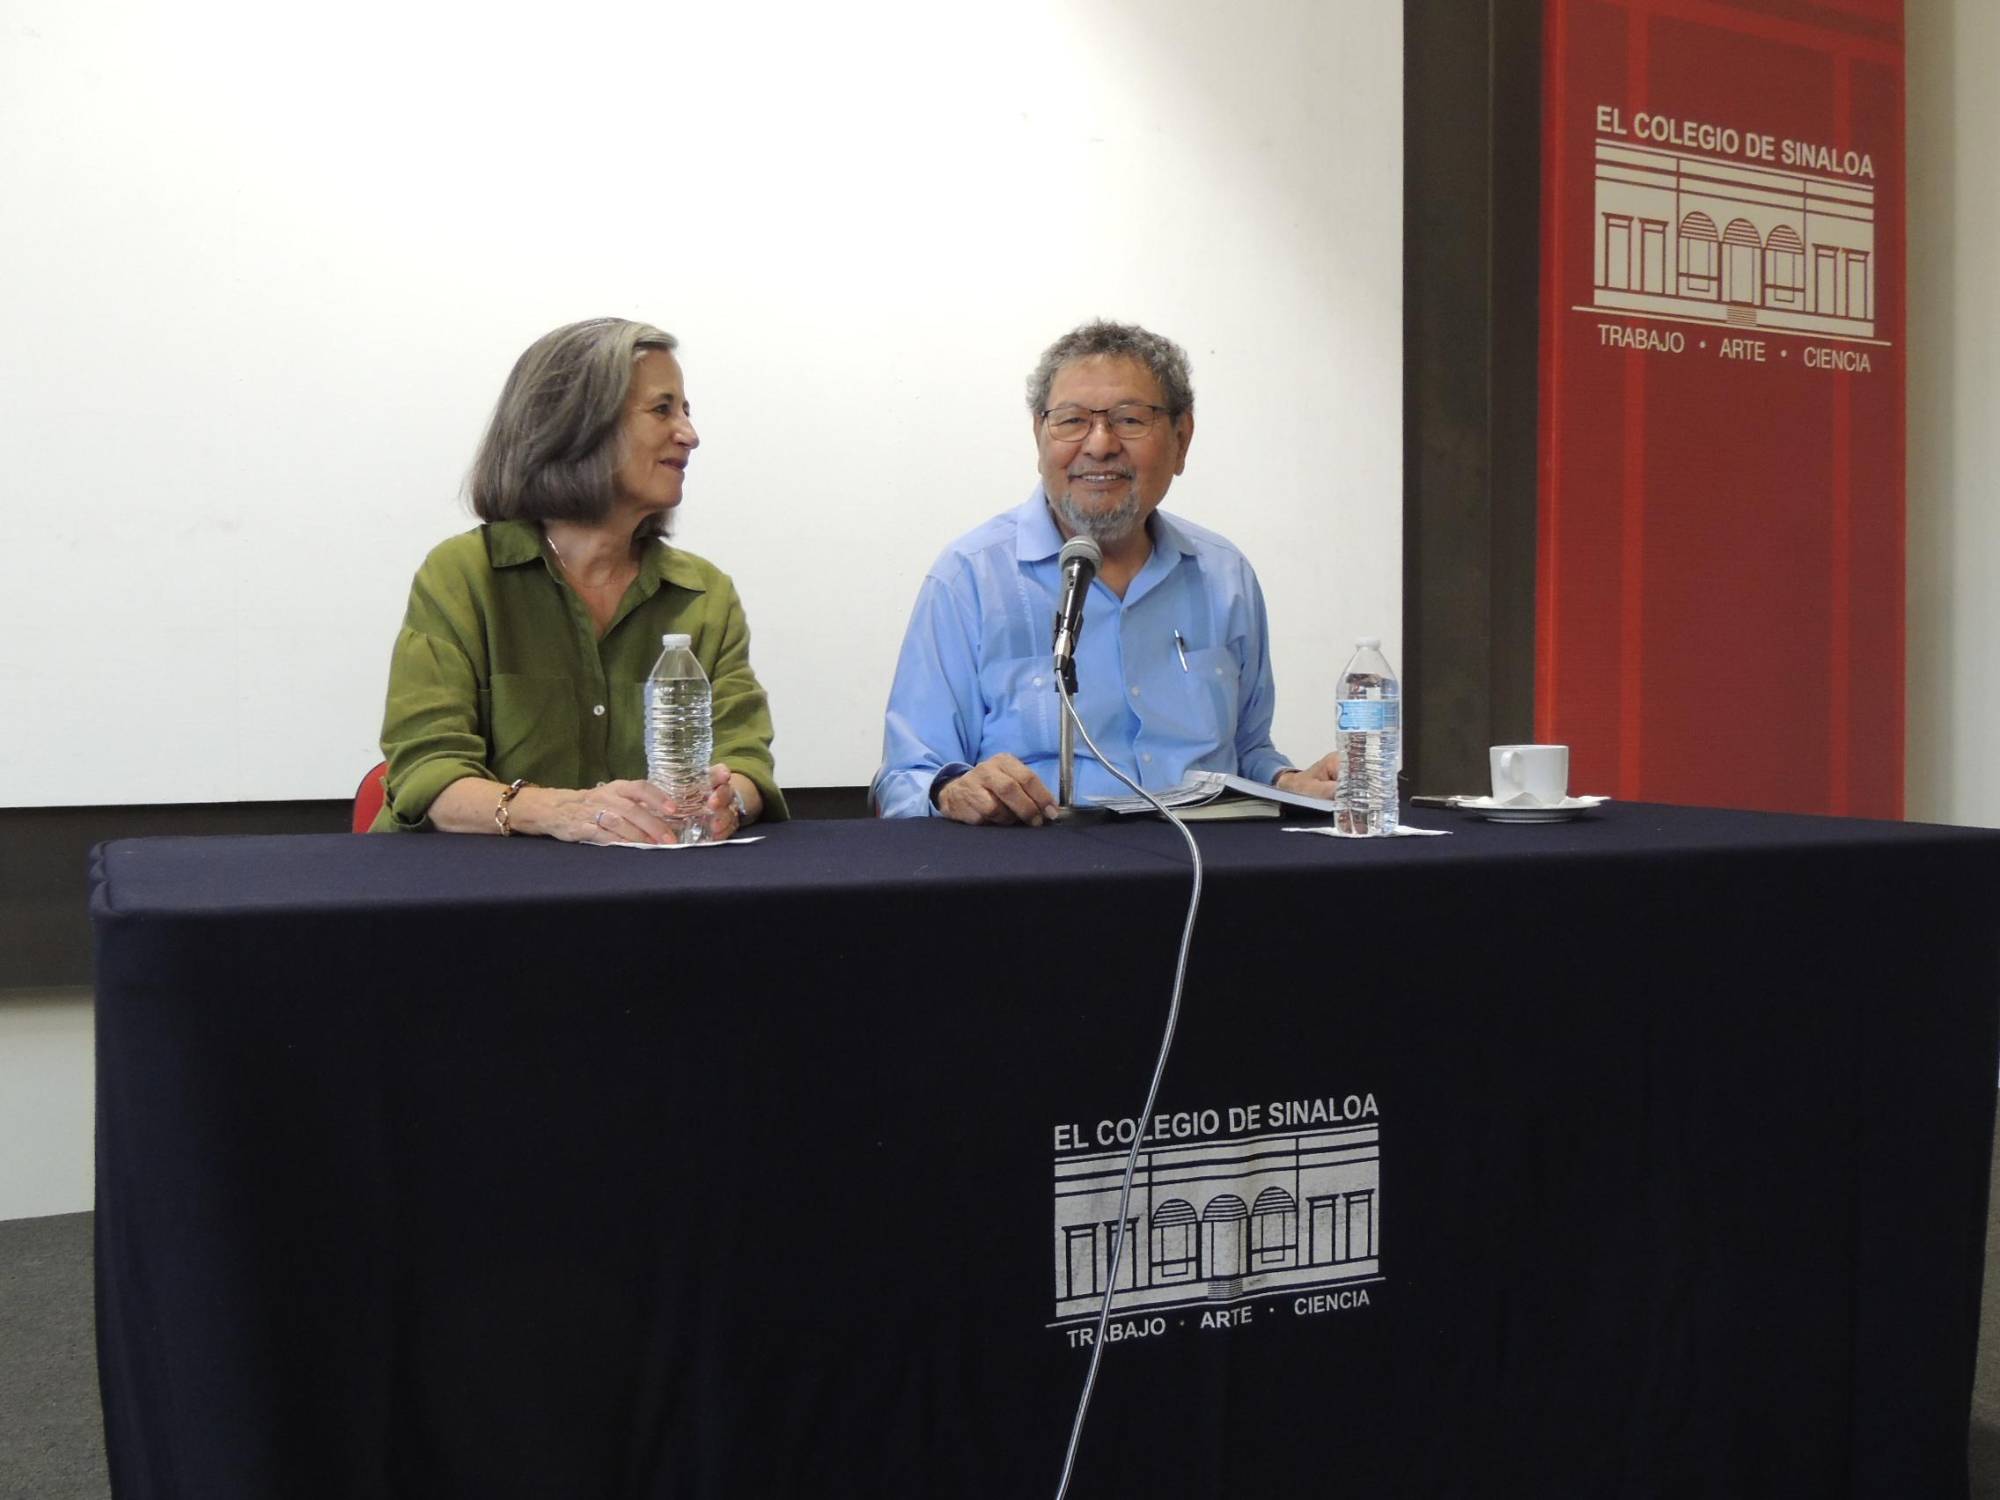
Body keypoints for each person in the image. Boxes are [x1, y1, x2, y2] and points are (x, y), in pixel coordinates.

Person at [872, 319, 1338, 825]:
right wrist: (951, 790)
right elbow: (904, 779)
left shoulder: (1224, 576)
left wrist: (1287, 781)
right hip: (1039, 870)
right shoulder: (970, 579)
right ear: (1038, 435)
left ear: (1182, 439)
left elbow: (1247, 752)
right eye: (1071, 421)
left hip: (1208, 867)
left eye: (1130, 419)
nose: (1099, 444)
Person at [372, 317, 785, 841]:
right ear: (577, 424)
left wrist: (730, 801)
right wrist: (563, 812)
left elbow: (745, 758)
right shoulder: (462, 577)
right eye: (662, 409)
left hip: (647, 887)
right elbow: (426, 773)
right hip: (472, 897)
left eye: (685, 410)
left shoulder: (705, 593)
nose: (689, 434)